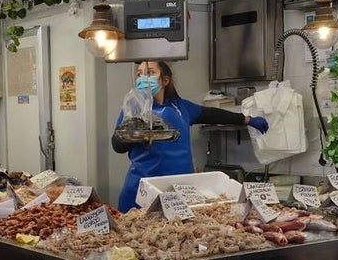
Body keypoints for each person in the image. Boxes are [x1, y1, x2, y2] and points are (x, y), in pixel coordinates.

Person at [110, 61, 269, 212]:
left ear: (165, 80)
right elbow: (117, 146)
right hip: (142, 193)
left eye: (150, 73)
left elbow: (211, 114)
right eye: (140, 74)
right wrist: (136, 129)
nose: (143, 78)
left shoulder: (180, 107)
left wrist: (247, 119)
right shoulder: (133, 110)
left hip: (179, 193)